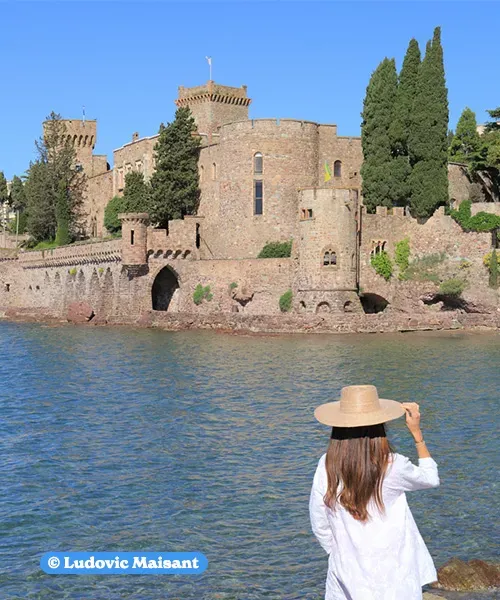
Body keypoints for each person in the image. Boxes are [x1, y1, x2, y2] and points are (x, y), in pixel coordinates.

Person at [309, 384, 439, 600]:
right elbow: (431, 478)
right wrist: (417, 434)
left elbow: (319, 520)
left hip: (346, 573)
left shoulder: (327, 464)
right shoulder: (392, 465)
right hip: (393, 573)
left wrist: (339, 552)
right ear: (379, 428)